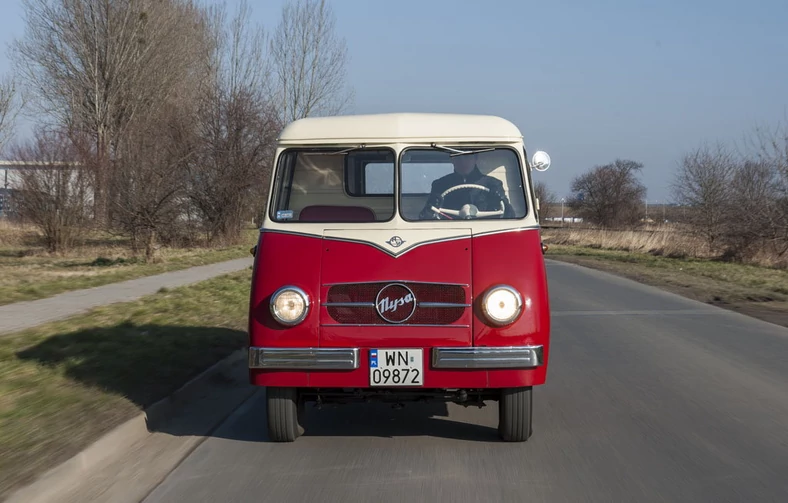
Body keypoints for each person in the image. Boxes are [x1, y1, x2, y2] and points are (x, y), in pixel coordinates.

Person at [419, 153, 515, 219]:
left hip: (486, 233)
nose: (463, 162)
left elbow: (511, 217)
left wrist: (500, 201)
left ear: (475, 158)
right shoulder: (440, 185)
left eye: (468, 157)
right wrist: (432, 207)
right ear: (452, 160)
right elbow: (424, 219)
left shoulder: (493, 184)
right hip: (449, 234)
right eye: (458, 158)